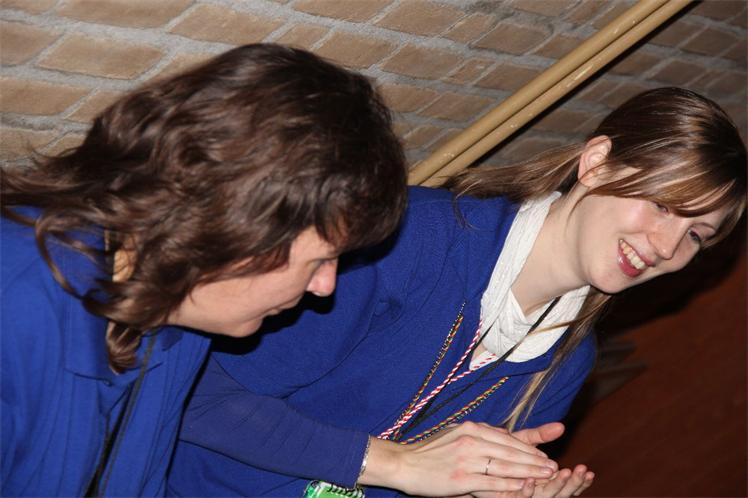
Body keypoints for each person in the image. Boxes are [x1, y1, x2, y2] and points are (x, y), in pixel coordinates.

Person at [168, 87, 747, 498]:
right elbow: (194, 398)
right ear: (596, 163)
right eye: (663, 205)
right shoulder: (409, 240)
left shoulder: (568, 361)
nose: (667, 246)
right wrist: (392, 464)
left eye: (697, 234)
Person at [0, 43, 410, 496]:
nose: (325, 286)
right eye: (320, 260)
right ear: (236, 225)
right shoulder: (14, 306)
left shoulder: (182, 313)